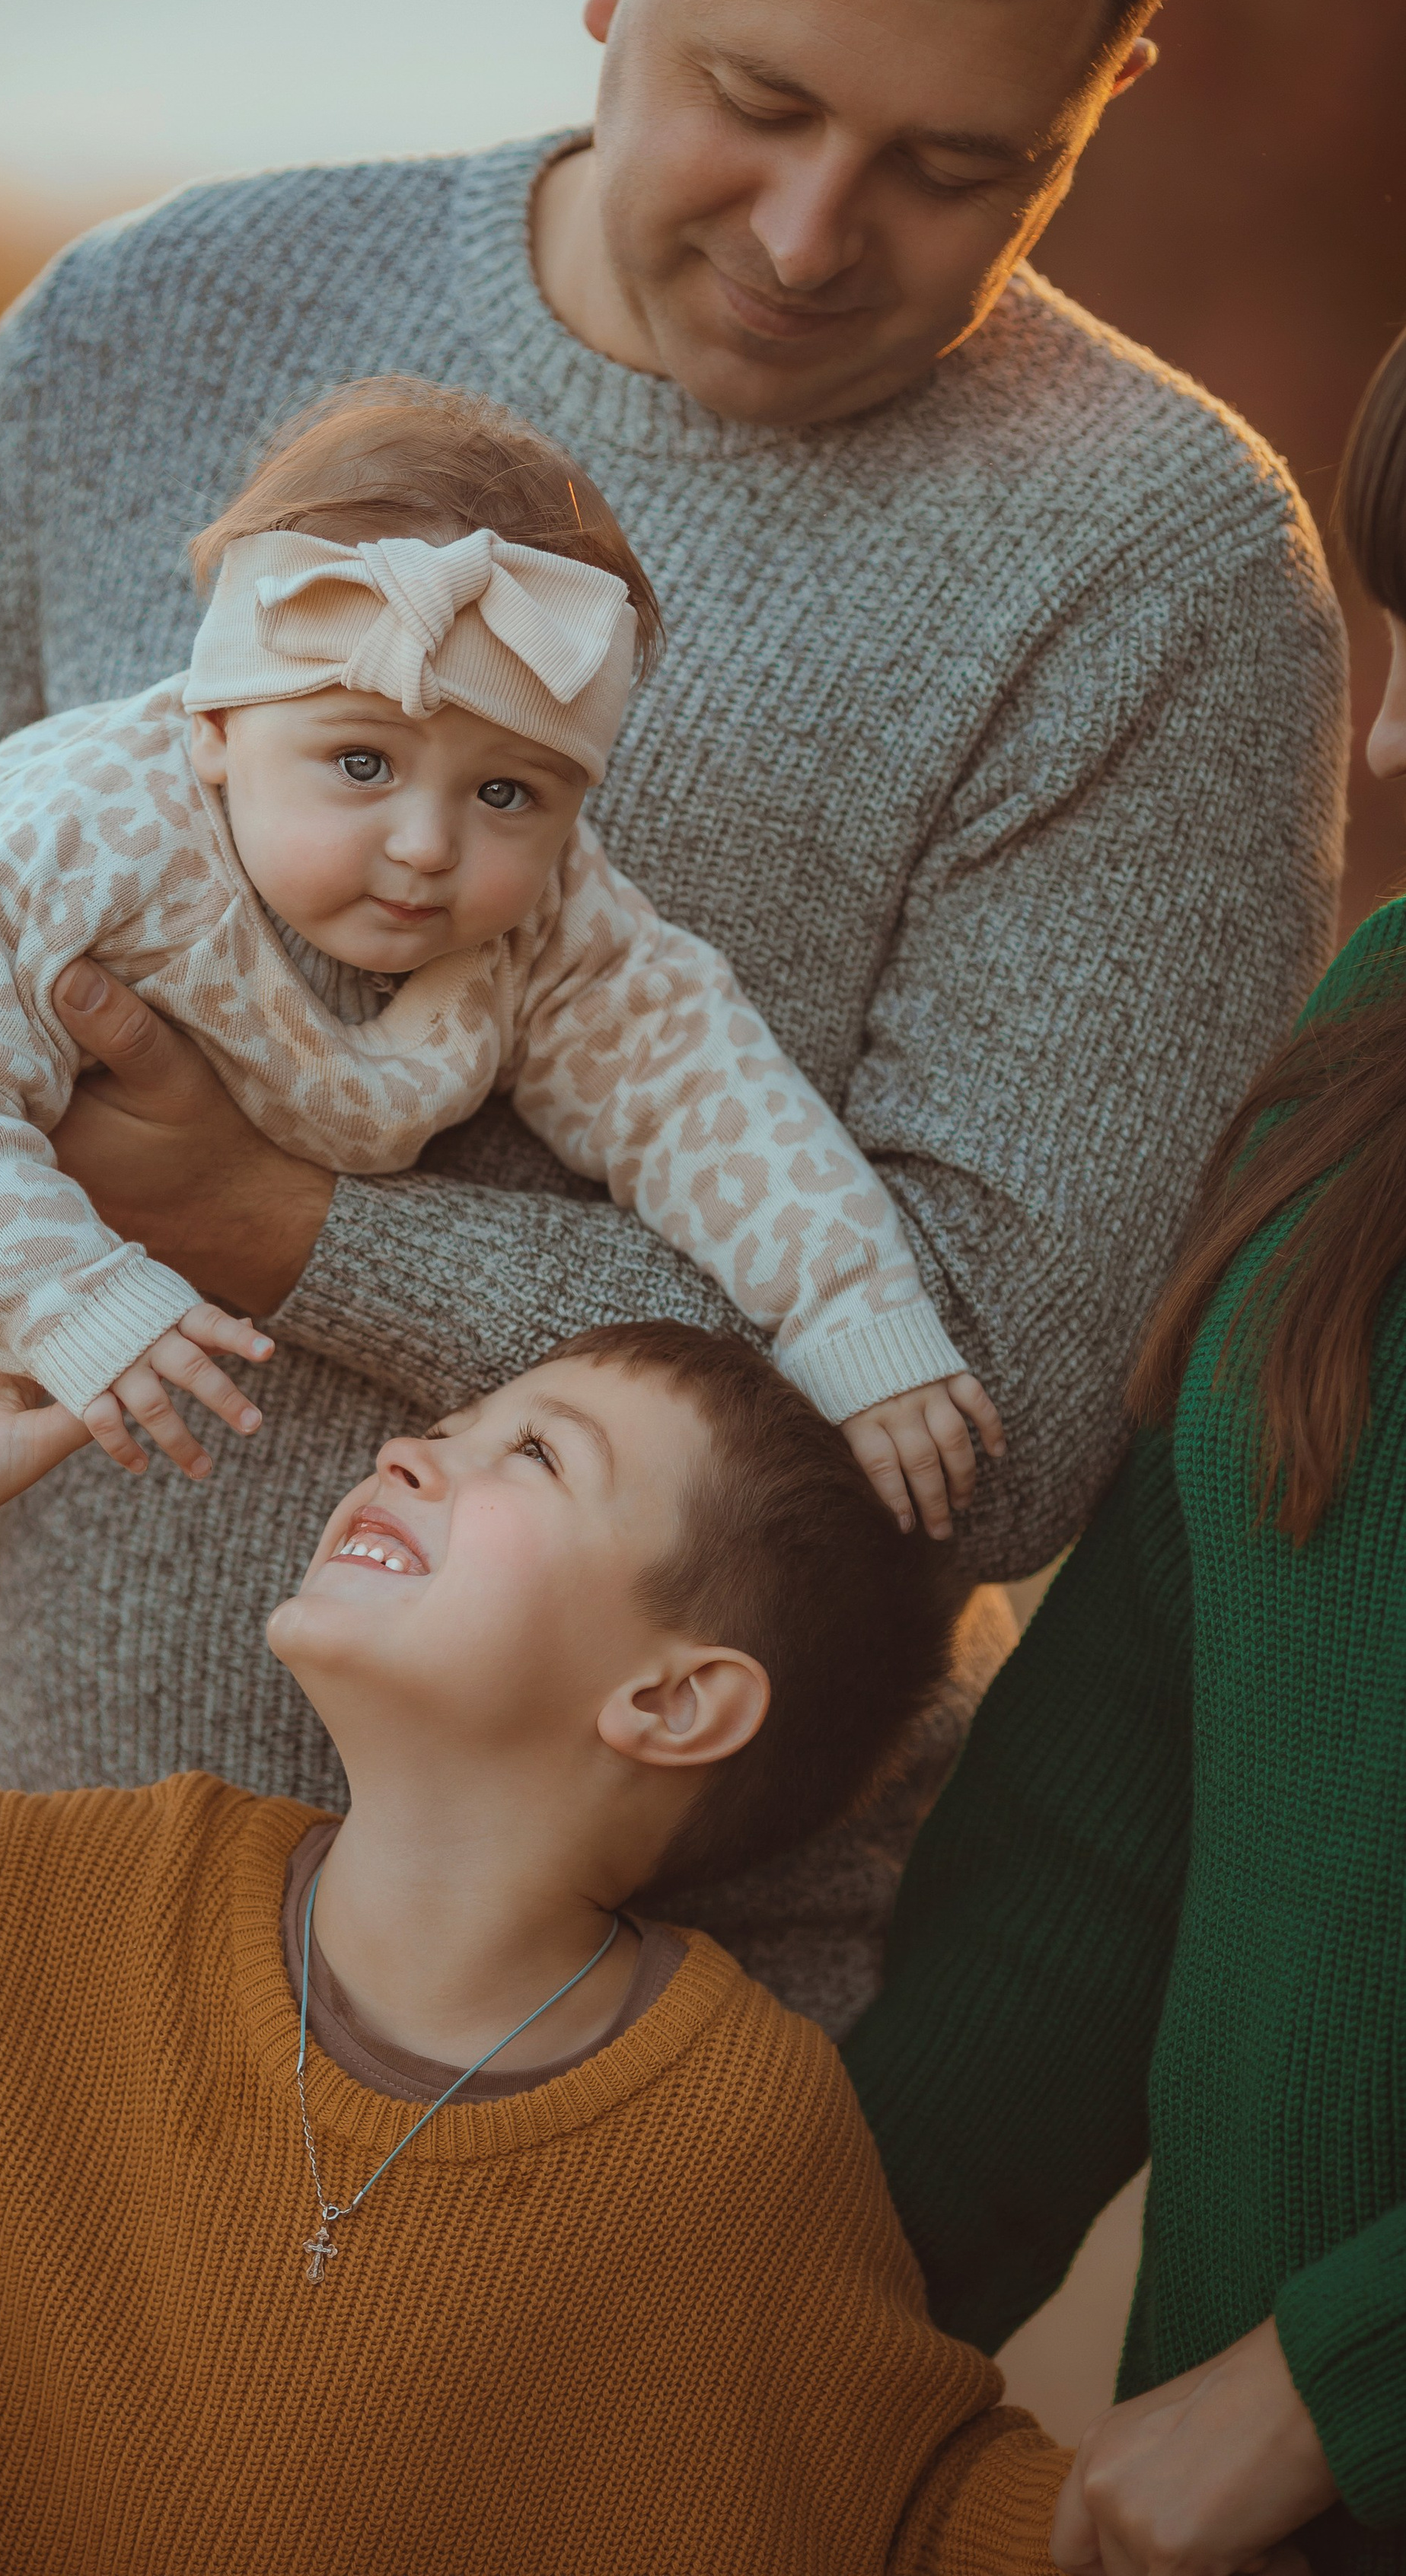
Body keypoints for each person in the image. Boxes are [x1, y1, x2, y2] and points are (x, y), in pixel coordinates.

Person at [0, 0, 1347, 2551]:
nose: (823, 226)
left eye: (958, 164)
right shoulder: (177, 310)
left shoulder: (1162, 577)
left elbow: (970, 1404)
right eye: (753, 93)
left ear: (1093, 112)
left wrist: (254, 1226)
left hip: (574, 2125)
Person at [0, 1286, 1069, 2574]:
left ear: (669, 1699)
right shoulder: (52, 1911)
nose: (409, 1450)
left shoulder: (734, 2134)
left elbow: (914, 2514)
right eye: (443, 1423)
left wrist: (1280, 2421)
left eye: (530, 1453)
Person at [0, 378, 996, 1641]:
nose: (430, 845)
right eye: (361, 763)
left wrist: (853, 1319)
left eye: (506, 791)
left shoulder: (555, 909)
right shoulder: (93, 835)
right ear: (214, 727)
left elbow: (697, 1086)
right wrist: (83, 1299)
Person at [843, 329, 1406, 2576]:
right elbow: (1105, 1840)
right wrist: (737, 2313)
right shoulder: (1375, 1037)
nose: (1387, 736)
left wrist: (1333, 2380)